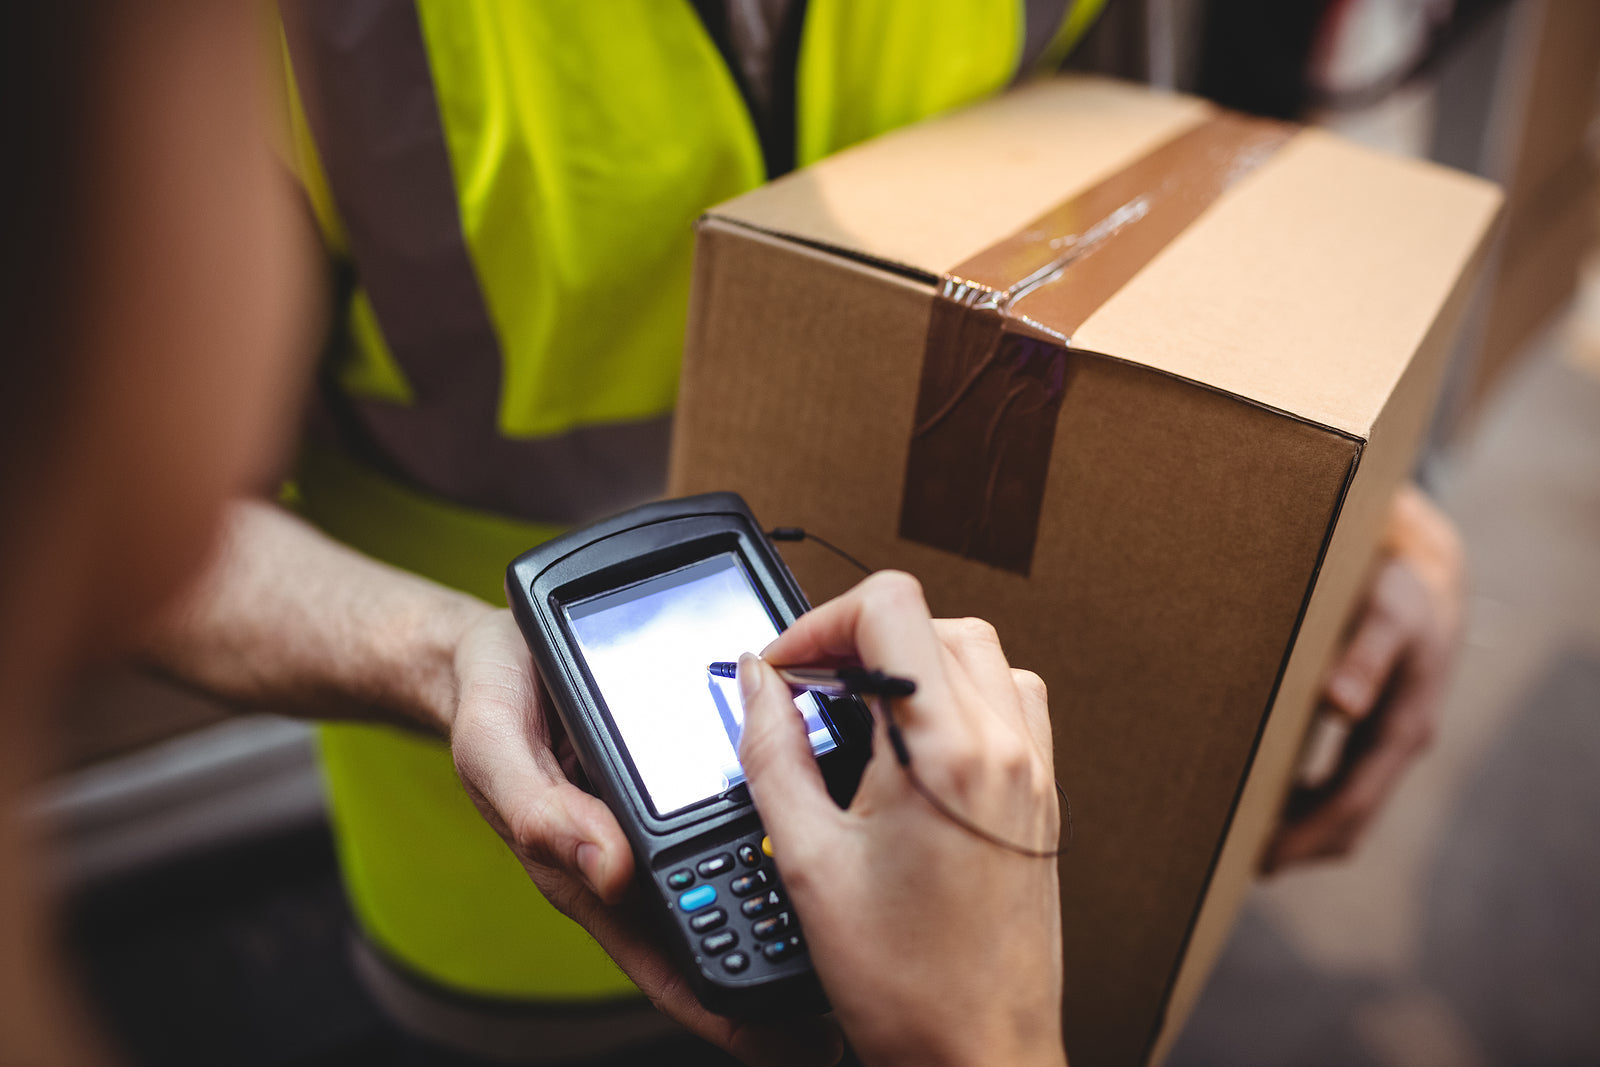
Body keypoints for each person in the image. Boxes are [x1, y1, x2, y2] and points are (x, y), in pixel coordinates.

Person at [118, 1, 1467, 1062]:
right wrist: (439, 653)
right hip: (511, 909)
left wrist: (1353, 518)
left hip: (952, 861)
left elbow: (1155, 235)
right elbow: (99, 529)